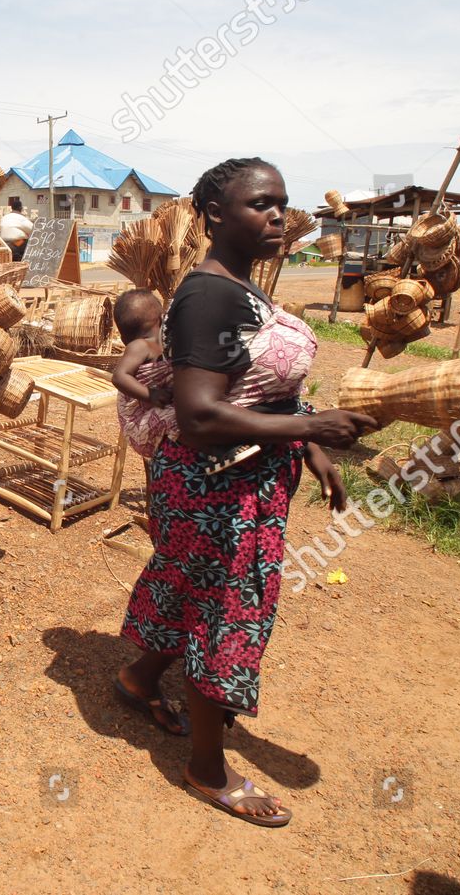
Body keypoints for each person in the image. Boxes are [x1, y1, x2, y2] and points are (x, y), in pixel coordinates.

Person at [114, 157, 378, 828]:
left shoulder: (243, 288)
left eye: (282, 203)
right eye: (260, 202)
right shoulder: (211, 296)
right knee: (225, 612)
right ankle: (207, 768)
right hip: (212, 486)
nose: (276, 215)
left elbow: (263, 385)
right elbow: (202, 417)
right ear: (212, 215)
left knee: (190, 590)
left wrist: (308, 442)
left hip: (239, 475)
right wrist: (311, 424)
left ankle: (138, 678)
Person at [112, 289, 175, 464]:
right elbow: (119, 377)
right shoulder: (140, 346)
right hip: (137, 423)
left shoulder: (162, 345)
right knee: (187, 415)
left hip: (152, 418)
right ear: (162, 318)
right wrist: (151, 394)